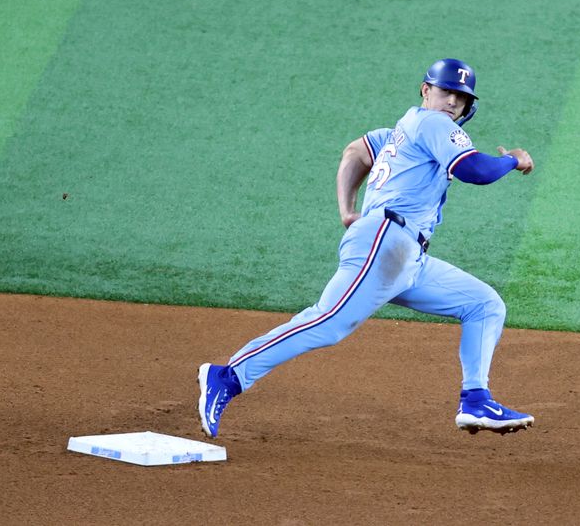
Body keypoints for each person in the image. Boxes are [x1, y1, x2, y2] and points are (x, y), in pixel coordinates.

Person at [198, 58, 535, 438]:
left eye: (461, 97)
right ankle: (228, 375)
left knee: (484, 305)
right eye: (446, 92)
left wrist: (347, 209)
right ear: (426, 91)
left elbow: (355, 152)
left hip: (408, 257)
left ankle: (476, 399)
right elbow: (475, 171)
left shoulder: (398, 134)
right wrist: (513, 160)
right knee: (328, 322)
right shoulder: (433, 123)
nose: (452, 103)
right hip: (385, 242)